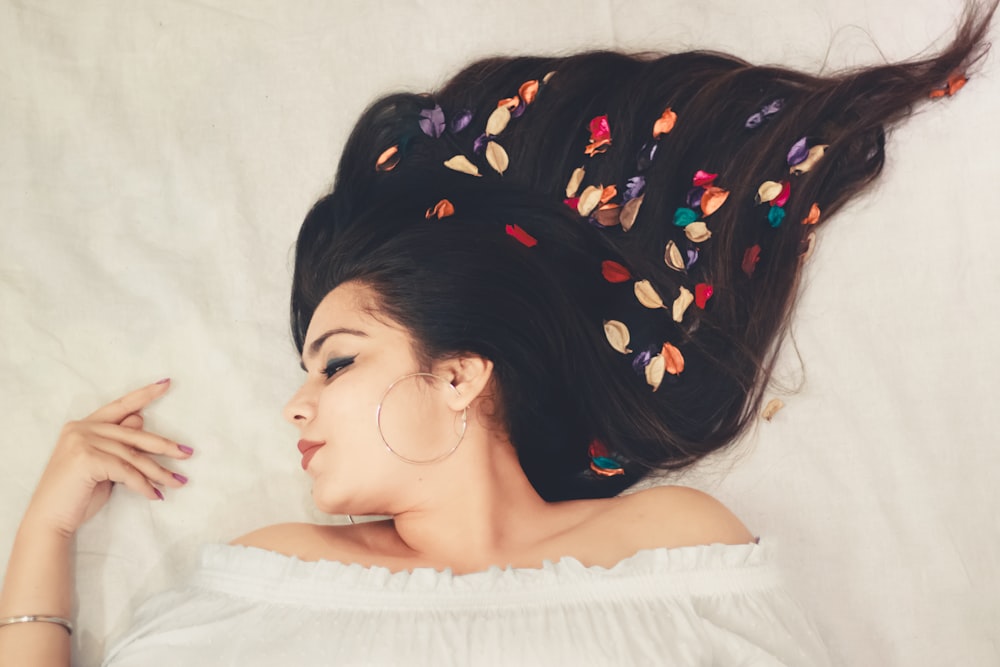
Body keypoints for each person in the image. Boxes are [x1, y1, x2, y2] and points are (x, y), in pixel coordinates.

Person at [0, 2, 994, 664]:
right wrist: (46, 530)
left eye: (339, 359)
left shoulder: (676, 549)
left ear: (461, 374)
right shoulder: (277, 573)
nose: (295, 402)